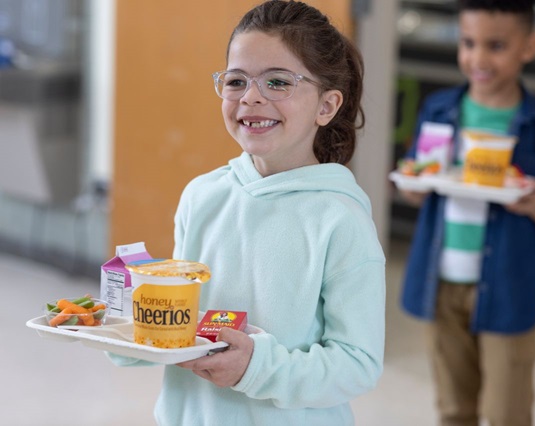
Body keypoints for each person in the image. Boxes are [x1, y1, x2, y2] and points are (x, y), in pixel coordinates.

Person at [109, 1, 386, 425]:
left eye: (278, 82)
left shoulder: (340, 219)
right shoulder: (202, 195)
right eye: (236, 80)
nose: (251, 97)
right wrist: (124, 327)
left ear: (326, 106)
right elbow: (183, 325)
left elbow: (357, 363)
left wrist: (257, 367)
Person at [398, 1, 535, 425]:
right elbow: (421, 184)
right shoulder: (438, 110)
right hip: (440, 283)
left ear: (528, 47)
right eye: (468, 43)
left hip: (509, 289)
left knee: (507, 412)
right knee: (455, 409)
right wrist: (412, 184)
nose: (478, 58)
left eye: (496, 45)